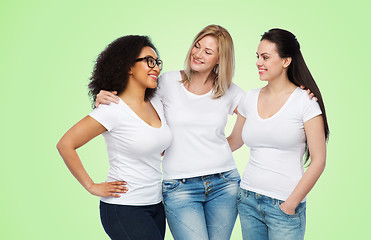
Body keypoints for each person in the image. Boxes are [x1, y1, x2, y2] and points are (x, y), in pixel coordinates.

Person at [96, 25, 244, 240]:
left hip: (225, 184)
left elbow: (262, 109)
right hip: (179, 187)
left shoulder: (230, 90)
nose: (198, 54)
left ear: (220, 59)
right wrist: (105, 94)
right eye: (197, 46)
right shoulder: (167, 82)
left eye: (208, 52)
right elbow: (134, 101)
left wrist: (302, 92)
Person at [56, 35, 172, 240]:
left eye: (157, 62)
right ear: (128, 66)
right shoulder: (112, 109)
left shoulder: (158, 104)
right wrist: (91, 186)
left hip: (155, 205)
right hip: (124, 208)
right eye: (149, 61)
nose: (156, 68)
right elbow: (66, 144)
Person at [233, 28, 329, 240]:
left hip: (284, 205)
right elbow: (234, 141)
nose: (259, 62)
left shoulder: (305, 102)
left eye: (266, 57)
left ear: (286, 61)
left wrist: (291, 204)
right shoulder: (249, 98)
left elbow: (319, 161)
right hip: (248, 199)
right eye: (257, 56)